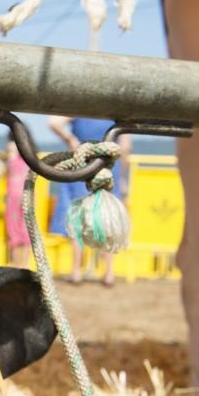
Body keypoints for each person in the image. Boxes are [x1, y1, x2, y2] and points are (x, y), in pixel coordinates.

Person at [48, 116, 131, 286]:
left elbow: (53, 122)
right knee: (108, 220)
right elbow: (125, 147)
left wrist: (70, 139)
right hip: (109, 167)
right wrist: (122, 177)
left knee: (78, 221)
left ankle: (76, 271)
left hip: (83, 166)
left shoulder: (80, 104)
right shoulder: (116, 109)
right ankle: (109, 273)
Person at [4, 141, 31, 269]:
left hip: (15, 200)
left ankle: (18, 265)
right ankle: (23, 265)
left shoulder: (12, 162)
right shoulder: (28, 162)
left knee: (16, 233)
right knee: (24, 232)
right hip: (26, 198)